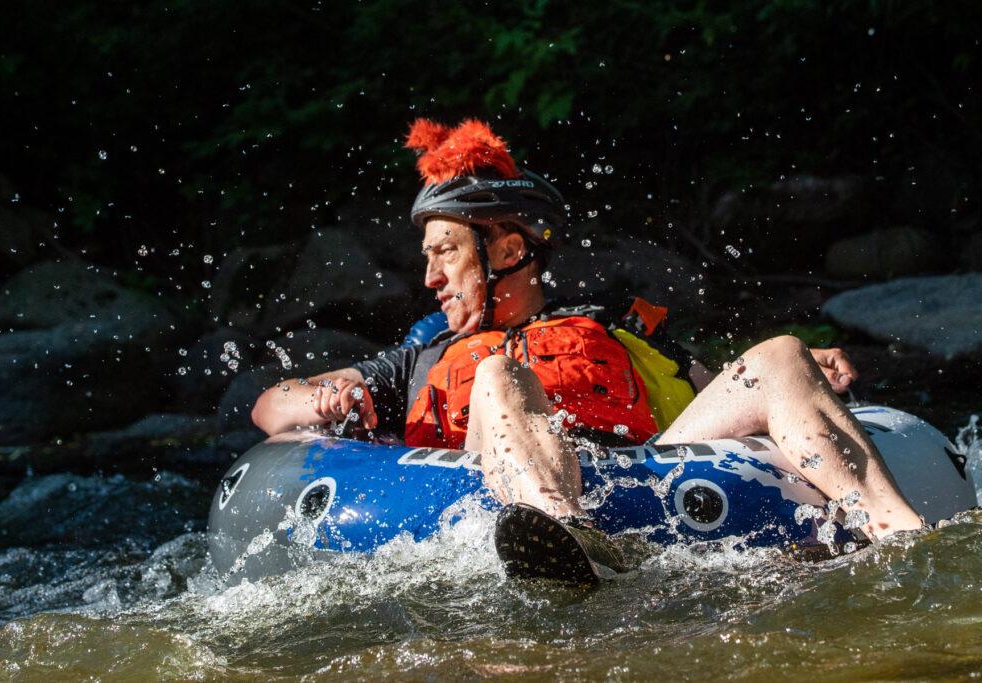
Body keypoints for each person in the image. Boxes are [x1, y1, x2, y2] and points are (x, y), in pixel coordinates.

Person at [251, 118, 923, 581]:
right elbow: (268, 409)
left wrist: (803, 374)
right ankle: (563, 532)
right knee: (497, 372)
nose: (429, 278)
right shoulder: (415, 358)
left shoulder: (614, 321)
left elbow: (718, 384)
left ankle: (904, 537)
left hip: (644, 468)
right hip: (497, 482)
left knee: (780, 351)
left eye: (446, 253)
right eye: (428, 258)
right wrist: (315, 394)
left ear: (508, 251)